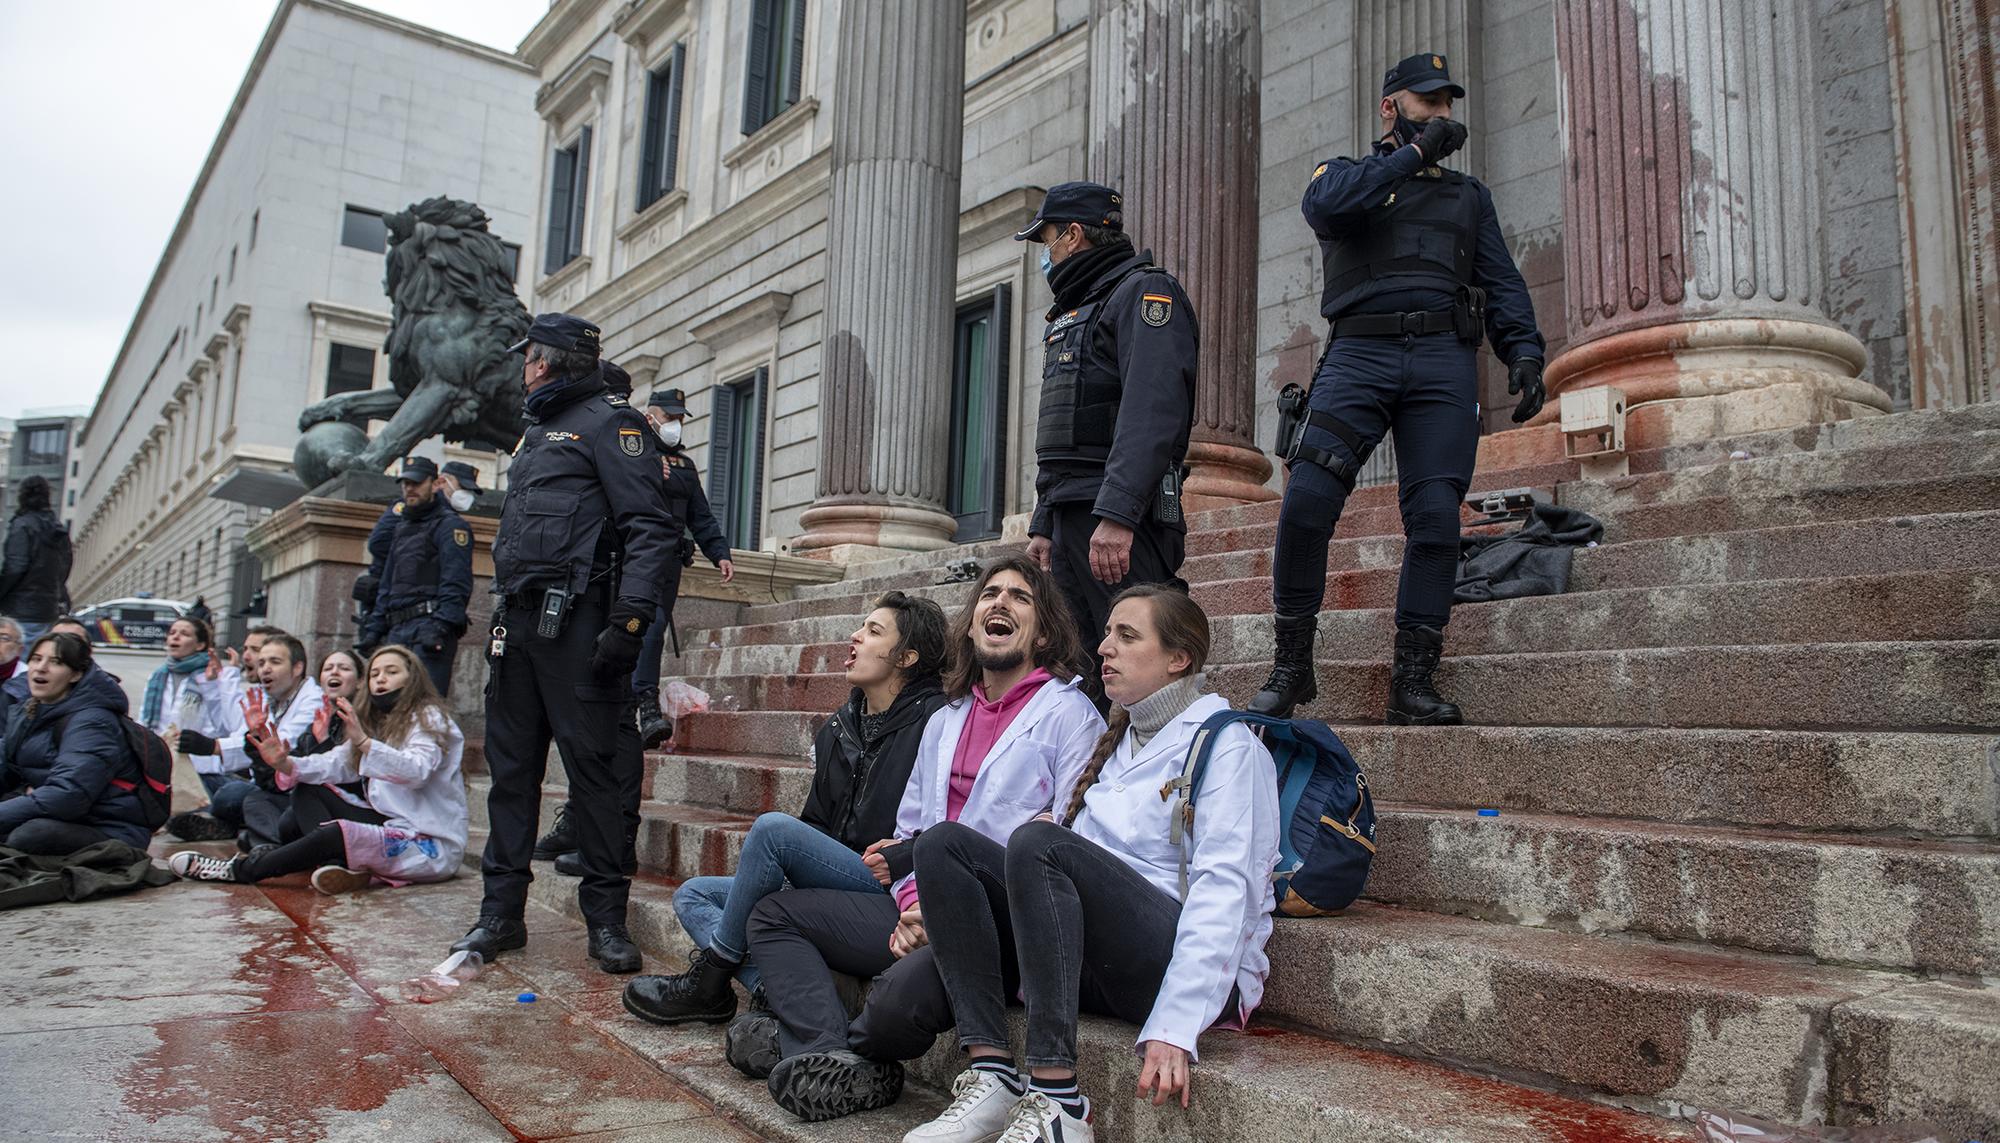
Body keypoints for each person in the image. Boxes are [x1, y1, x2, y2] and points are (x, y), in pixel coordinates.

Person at [899, 585, 1280, 1143]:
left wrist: (1175, 1026)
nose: (1105, 648)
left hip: (1169, 968)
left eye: (1127, 636)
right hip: (1098, 963)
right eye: (1106, 634)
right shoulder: (1121, 740)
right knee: (941, 844)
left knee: (1038, 841)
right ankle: (992, 1071)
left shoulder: (1230, 748)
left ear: (1179, 659)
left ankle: (1059, 1101)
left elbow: (1228, 892)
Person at [746, 556, 1103, 1123]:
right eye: (989, 594)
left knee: (893, 1006)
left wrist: (935, 912)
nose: (1000, 604)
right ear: (971, 620)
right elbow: (911, 831)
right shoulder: (947, 716)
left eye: (1019, 597)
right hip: (917, 906)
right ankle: (821, 1052)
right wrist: (914, 904)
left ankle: (831, 1047)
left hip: (995, 923)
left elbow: (1065, 844)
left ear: (1044, 631)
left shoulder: (1069, 715)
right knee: (771, 915)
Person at [1250, 52, 1546, 725]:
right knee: (1306, 503)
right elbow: (1326, 208)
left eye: (1447, 103)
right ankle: (1291, 668)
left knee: (1437, 519)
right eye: (1427, 101)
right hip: (1359, 353)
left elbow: (1501, 281)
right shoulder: (1347, 176)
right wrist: (1413, 156)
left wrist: (1524, 352)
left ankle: (1413, 679)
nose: (1442, 113)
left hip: (1443, 359)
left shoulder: (1469, 197)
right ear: (1391, 107)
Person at [452, 312, 678, 976]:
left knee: (600, 781)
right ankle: (500, 915)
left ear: (548, 360)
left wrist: (630, 623)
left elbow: (650, 529)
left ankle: (605, 920)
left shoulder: (614, 424)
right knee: (512, 776)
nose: (523, 368)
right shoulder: (534, 433)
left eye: (529, 357)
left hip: (583, 627)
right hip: (518, 627)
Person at [622, 591, 951, 1028]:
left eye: (873, 631)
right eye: (861, 626)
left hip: (891, 885)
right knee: (695, 894)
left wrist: (902, 856)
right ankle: (767, 989)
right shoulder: (840, 727)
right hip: (838, 877)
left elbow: (957, 822)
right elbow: (817, 824)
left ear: (907, 657)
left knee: (773, 830)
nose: (855, 636)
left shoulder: (938, 720)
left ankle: (711, 980)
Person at [536, 383, 735, 863]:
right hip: (611, 578)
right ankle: (584, 823)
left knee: (637, 657)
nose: (675, 424)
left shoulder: (683, 466)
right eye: (668, 415)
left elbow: (701, 518)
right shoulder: (620, 447)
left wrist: (718, 552)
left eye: (680, 418)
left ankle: (644, 703)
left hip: (655, 575)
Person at [1015, 183, 1198, 703]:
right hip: (1073, 515)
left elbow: (1152, 413)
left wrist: (1117, 514)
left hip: (1119, 520)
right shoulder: (1076, 310)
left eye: (1047, 240)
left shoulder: (1144, 293)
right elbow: (1060, 430)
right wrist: (1045, 521)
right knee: (1080, 672)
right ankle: (1090, 782)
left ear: (1073, 235)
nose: (1046, 255)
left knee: (1140, 672)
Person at [169, 644, 468, 895]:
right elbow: (334, 764)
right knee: (308, 789)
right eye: (375, 673)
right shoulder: (378, 722)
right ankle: (338, 865)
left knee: (335, 832)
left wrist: (363, 740)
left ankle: (238, 870)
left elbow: (416, 771)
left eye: (391, 672)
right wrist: (284, 763)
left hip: (428, 843)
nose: (380, 680)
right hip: (392, 824)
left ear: (412, 679)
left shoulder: (430, 718)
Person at [0, 633, 152, 855]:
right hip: (61, 816)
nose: (41, 668)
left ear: (76, 674)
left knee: (29, 835)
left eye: (56, 662)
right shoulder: (30, 710)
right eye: (36, 659)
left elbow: (69, 794)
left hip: (109, 829)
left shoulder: (93, 721)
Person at [178, 634, 324, 846]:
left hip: (296, 792)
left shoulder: (314, 700)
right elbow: (236, 729)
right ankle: (220, 823)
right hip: (266, 784)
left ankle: (215, 819)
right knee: (212, 780)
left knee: (231, 795)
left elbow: (283, 744)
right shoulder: (271, 699)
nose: (264, 668)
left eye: (275, 662)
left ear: (297, 668)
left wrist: (214, 746)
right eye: (262, 662)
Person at [359, 456, 473, 695]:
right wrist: (374, 630)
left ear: (435, 484)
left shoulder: (451, 526)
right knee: (388, 708)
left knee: (424, 708)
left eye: (417, 483)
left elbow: (457, 582)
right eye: (406, 484)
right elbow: (388, 585)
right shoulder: (401, 526)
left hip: (428, 628)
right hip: (396, 629)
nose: (410, 489)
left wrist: (440, 626)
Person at [150, 617, 250, 842]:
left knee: (221, 798)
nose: (175, 637)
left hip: (201, 768)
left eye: (184, 634)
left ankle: (209, 822)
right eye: (172, 632)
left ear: (200, 645)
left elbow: (225, 725)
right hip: (164, 764)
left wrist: (213, 684)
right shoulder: (158, 677)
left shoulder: (210, 677)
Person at [0, 476, 72, 646]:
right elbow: (65, 566)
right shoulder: (57, 528)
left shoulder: (22, 525)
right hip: (47, 608)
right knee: (35, 657)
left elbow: (15, 567)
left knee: (18, 662)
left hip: (20, 608)